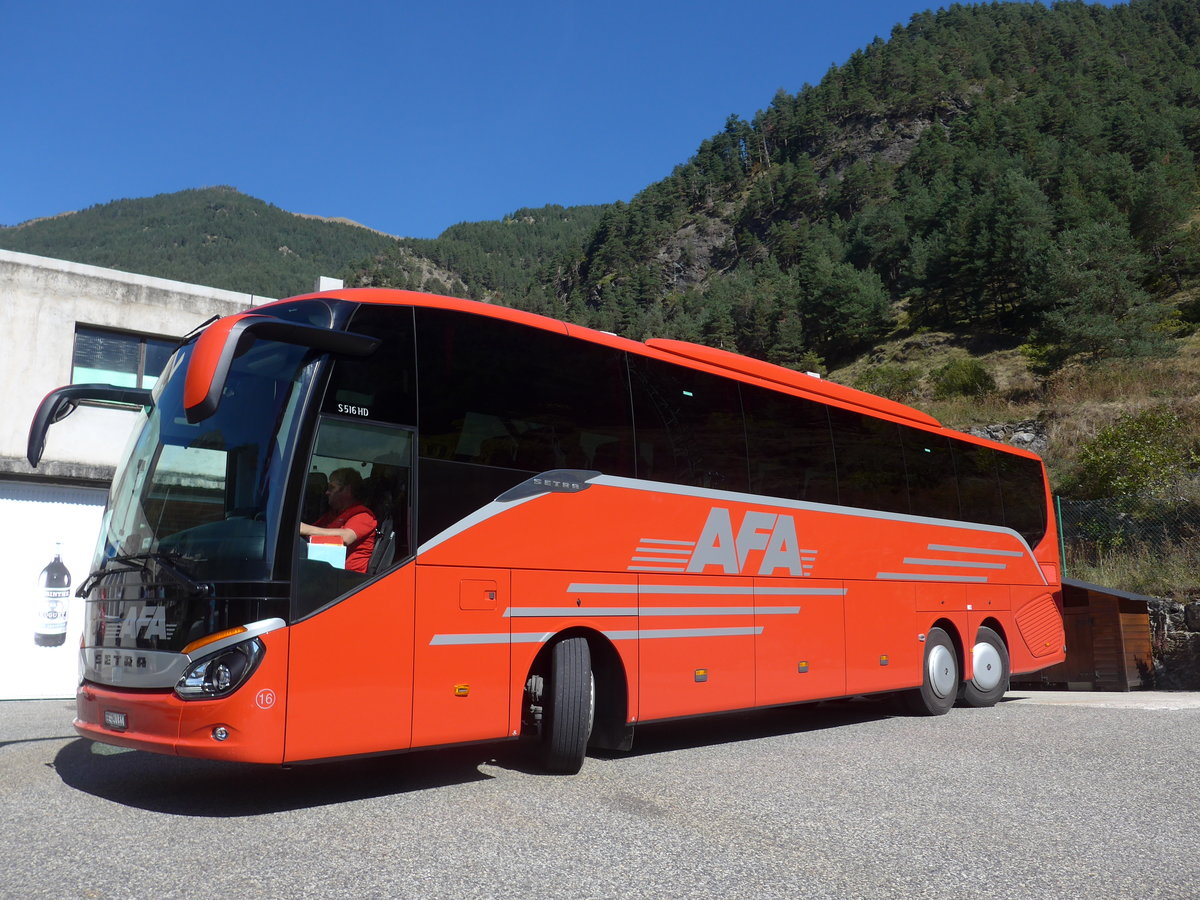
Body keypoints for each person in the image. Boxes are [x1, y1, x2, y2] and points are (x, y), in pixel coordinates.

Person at [300, 467, 377, 573]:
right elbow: (308, 534)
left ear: (347, 490)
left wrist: (304, 528)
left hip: (350, 580)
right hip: (330, 572)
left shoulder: (363, 515)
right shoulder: (333, 514)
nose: (327, 492)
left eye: (331, 488)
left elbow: (346, 537)